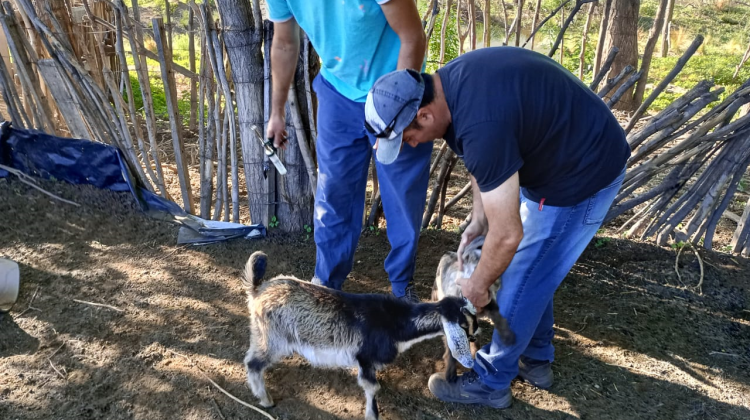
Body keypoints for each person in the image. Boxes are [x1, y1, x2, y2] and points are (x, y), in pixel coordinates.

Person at [364, 46, 630, 408]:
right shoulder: (449, 88)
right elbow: (478, 161)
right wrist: (479, 217)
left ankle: (491, 382)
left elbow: (507, 235)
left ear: (424, 115)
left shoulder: (480, 124)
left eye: (406, 137)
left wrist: (476, 286)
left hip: (582, 173)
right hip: (560, 155)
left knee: (522, 271)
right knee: (535, 267)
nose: (410, 145)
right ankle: (535, 359)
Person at [265, 0, 433, 302]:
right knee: (334, 194)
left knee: (403, 198)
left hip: (393, 86)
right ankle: (326, 284)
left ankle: (401, 290)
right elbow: (284, 43)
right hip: (338, 92)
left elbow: (413, 37)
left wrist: (394, 116)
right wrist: (276, 112)